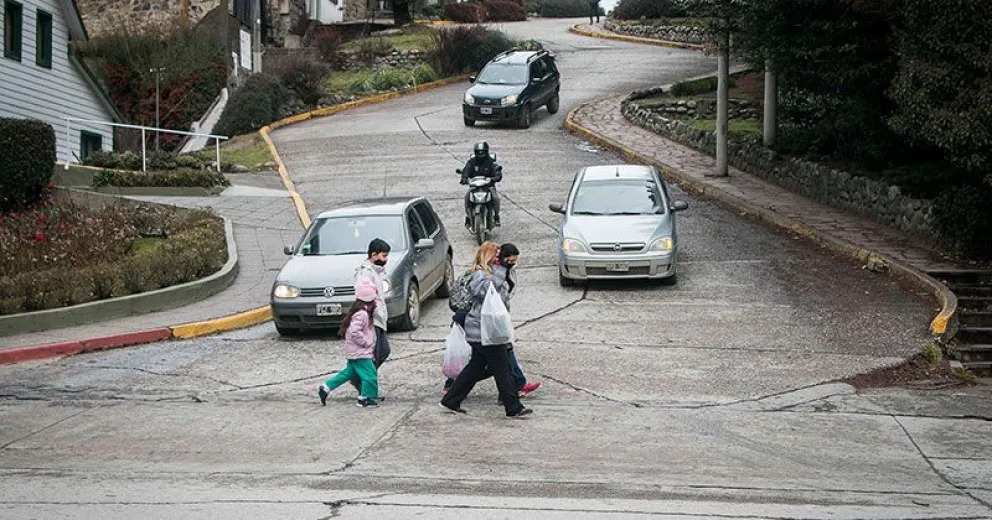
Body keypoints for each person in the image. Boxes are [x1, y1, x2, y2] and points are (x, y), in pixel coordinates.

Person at [440, 242, 533, 418]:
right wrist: (500, 271)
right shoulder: (480, 274)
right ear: (489, 257)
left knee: (475, 368)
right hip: (484, 331)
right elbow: (483, 290)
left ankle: (451, 399)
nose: (501, 260)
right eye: (497, 256)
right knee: (503, 368)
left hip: (488, 329)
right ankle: (513, 407)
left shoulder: (496, 273)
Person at [319, 279, 380, 408]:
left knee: (348, 373)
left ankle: (326, 387)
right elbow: (354, 331)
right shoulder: (362, 314)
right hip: (361, 352)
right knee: (370, 375)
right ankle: (365, 398)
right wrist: (366, 342)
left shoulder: (359, 311)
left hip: (354, 352)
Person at [351, 238, 391, 392]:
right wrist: (373, 314)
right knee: (378, 352)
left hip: (378, 317)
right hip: (372, 319)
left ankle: (360, 379)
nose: (385, 259)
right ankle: (362, 381)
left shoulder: (375, 271)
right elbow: (365, 296)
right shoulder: (366, 273)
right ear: (373, 255)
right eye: (383, 256)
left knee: (380, 352)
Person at [460, 141, 503, 228]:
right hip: (474, 186)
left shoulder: (490, 162)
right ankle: (468, 216)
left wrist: (495, 177)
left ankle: (496, 216)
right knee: (466, 198)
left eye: (482, 152)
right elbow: (466, 171)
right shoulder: (471, 162)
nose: (480, 154)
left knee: (495, 198)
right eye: (478, 152)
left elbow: (496, 171)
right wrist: (464, 178)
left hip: (488, 186)